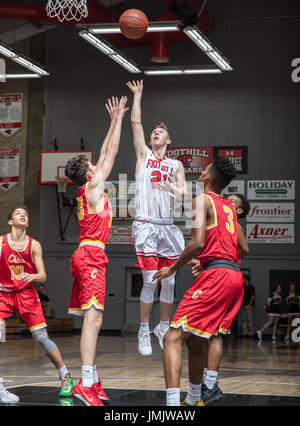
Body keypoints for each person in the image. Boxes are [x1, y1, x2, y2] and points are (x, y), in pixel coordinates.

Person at [153, 155, 249, 406]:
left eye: (205, 169)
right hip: (234, 276)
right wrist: (208, 262)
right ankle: (195, 398)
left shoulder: (201, 200)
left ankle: (172, 406)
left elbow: (197, 243)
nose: (202, 171)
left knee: (172, 338)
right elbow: (241, 247)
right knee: (196, 337)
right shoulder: (228, 207)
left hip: (216, 277)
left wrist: (172, 268)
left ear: (207, 176)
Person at [64, 95, 128, 406]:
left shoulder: (86, 187)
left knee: (96, 318)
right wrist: (118, 121)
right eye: (94, 166)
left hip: (89, 254)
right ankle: (85, 384)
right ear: (90, 174)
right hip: (89, 254)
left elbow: (104, 152)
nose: (98, 165)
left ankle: (93, 379)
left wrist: (114, 121)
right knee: (93, 319)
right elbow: (111, 151)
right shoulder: (92, 188)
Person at [126, 80, 187, 357]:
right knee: (150, 279)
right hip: (147, 225)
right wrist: (137, 95)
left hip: (168, 228)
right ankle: (143, 328)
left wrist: (171, 188)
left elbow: (184, 195)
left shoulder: (176, 165)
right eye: (154, 132)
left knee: (170, 280)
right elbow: (136, 123)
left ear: (169, 140)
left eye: (160, 132)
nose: (155, 134)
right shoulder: (144, 156)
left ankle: (163, 326)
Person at [0, 206, 74, 404]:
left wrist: (32, 275)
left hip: (26, 294)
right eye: (18, 213)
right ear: (10, 221)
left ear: (28, 222)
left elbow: (43, 275)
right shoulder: (1, 242)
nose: (23, 215)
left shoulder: (34, 245)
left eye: (26, 214)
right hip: (4, 294)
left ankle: (65, 375)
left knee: (41, 337)